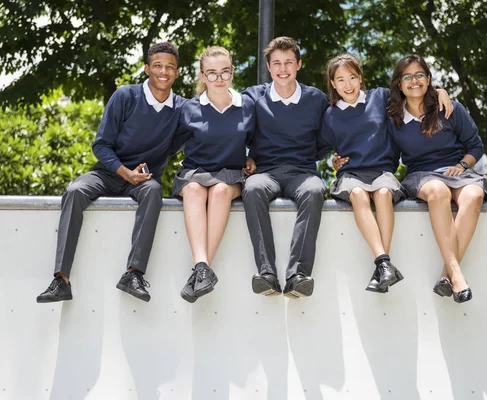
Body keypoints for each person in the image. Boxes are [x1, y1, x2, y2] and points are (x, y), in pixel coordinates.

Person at [36, 42, 186, 303]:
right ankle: (61, 280)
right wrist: (125, 172)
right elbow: (101, 144)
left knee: (153, 192)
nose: (164, 71)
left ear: (178, 72)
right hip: (108, 172)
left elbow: (188, 140)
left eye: (170, 67)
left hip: (143, 180)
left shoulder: (182, 108)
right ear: (147, 68)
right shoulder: (125, 96)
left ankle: (133, 274)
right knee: (74, 191)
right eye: (158, 66)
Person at [325, 54, 453, 294]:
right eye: (340, 80)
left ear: (361, 78)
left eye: (353, 77)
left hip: (382, 171)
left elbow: (411, 91)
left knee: (383, 193)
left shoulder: (380, 98)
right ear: (333, 84)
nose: (348, 84)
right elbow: (321, 146)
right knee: (359, 196)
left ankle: (382, 267)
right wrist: (332, 160)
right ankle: (383, 262)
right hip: (351, 174)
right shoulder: (330, 114)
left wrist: (439, 91)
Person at [387, 54, 487, 303]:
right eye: (408, 77)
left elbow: (475, 146)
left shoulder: (450, 108)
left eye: (420, 75)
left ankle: (447, 276)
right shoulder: (394, 118)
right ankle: (456, 273)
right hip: (421, 175)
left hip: (457, 170)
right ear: (399, 84)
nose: (414, 81)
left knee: (475, 194)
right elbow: (388, 156)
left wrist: (461, 164)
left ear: (429, 79)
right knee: (438, 191)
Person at [242, 36, 329, 298]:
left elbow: (328, 137)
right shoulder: (253, 97)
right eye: (277, 63)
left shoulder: (316, 99)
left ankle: (298, 275)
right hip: (265, 172)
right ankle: (266, 273)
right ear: (268, 67)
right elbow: (234, 130)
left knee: (315, 191)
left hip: (302, 173)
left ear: (299, 64)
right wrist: (242, 158)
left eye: (288, 62)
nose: (283, 69)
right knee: (252, 187)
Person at [173, 46, 256, 303]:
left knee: (220, 191)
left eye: (224, 72)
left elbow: (257, 142)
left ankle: (201, 270)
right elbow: (167, 146)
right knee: (195, 190)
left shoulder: (247, 106)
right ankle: (202, 268)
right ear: (201, 76)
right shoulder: (189, 109)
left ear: (232, 71)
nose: (219, 79)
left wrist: (253, 157)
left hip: (230, 174)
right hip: (195, 173)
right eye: (211, 73)